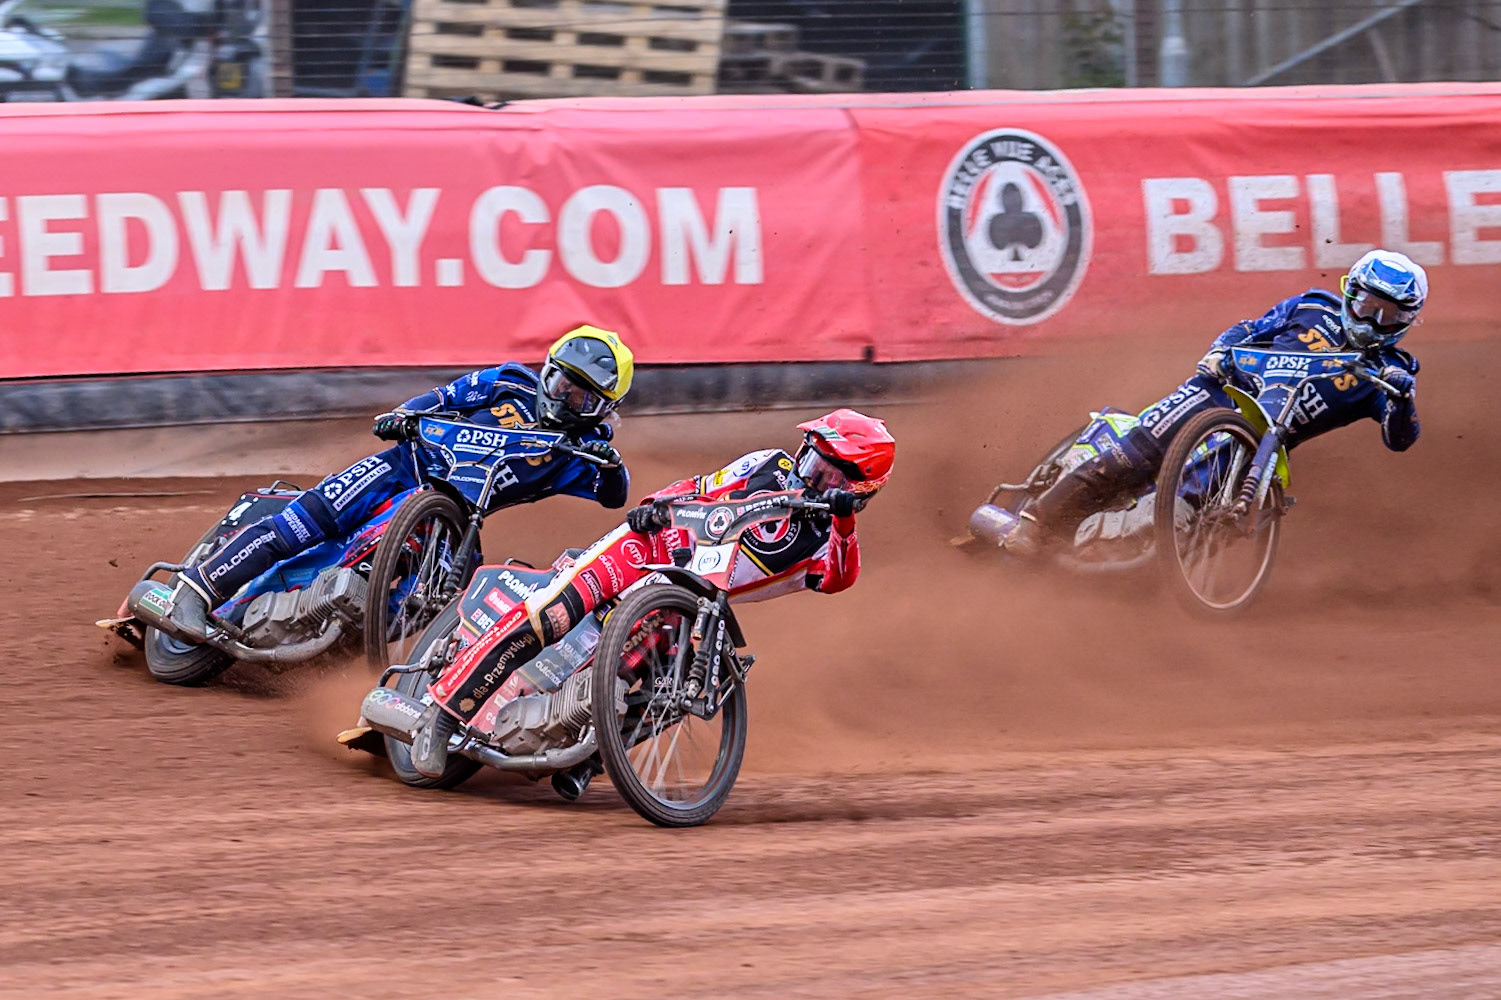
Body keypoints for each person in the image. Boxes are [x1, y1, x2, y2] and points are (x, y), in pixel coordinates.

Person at [408, 407, 897, 778]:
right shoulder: (768, 463)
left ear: (859, 490)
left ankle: (589, 759)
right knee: (552, 613)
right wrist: (656, 503)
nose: (807, 474)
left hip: (686, 602)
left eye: (827, 474)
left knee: (673, 682)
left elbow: (839, 578)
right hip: (648, 545)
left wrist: (842, 517)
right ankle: (442, 718)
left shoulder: (828, 542)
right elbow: (702, 485)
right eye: (811, 459)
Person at [163, 325, 636, 638]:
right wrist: (404, 415)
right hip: (404, 465)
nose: (566, 401)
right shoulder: (508, 382)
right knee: (303, 523)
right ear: (547, 371)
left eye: (582, 399)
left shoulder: (584, 448)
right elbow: (441, 397)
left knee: (450, 592)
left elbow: (615, 497)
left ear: (602, 409)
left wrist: (611, 465)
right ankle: (194, 590)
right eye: (561, 386)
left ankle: (345, 647)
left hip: (459, 520)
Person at [1004, 248, 1427, 554]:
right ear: (1349, 293)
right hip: (1218, 391)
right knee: (1137, 450)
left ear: (1405, 321)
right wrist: (1218, 353)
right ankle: (1035, 522)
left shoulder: (1390, 371)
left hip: (1259, 443)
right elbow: (1250, 328)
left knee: (1192, 509)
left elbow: (1400, 438)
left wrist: (1403, 395)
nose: (1373, 320)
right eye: (1367, 305)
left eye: (1388, 315)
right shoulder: (1312, 306)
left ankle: (1141, 557)